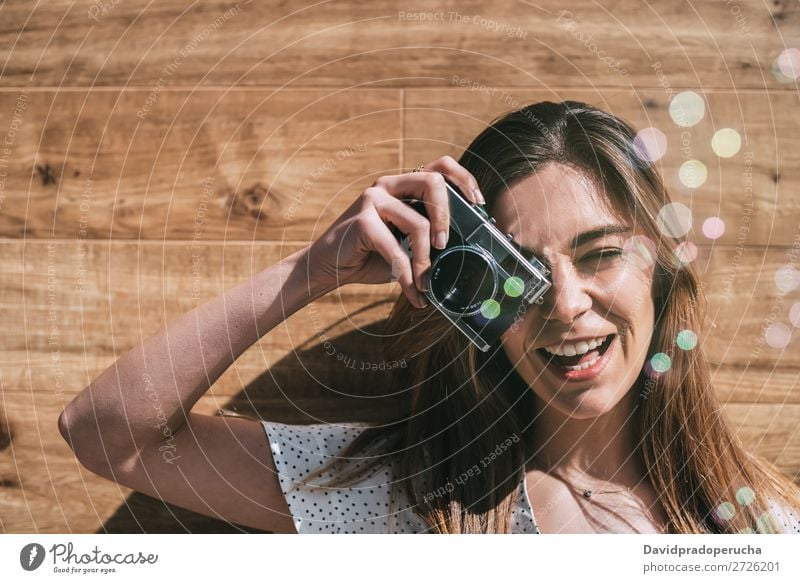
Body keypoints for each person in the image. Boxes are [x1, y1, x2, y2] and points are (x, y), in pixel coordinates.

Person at [58, 101, 800, 534]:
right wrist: (312, 272)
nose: (566, 304)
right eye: (523, 276)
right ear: (472, 300)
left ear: (660, 268)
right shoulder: (406, 498)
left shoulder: (773, 526)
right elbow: (104, 430)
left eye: (601, 254)